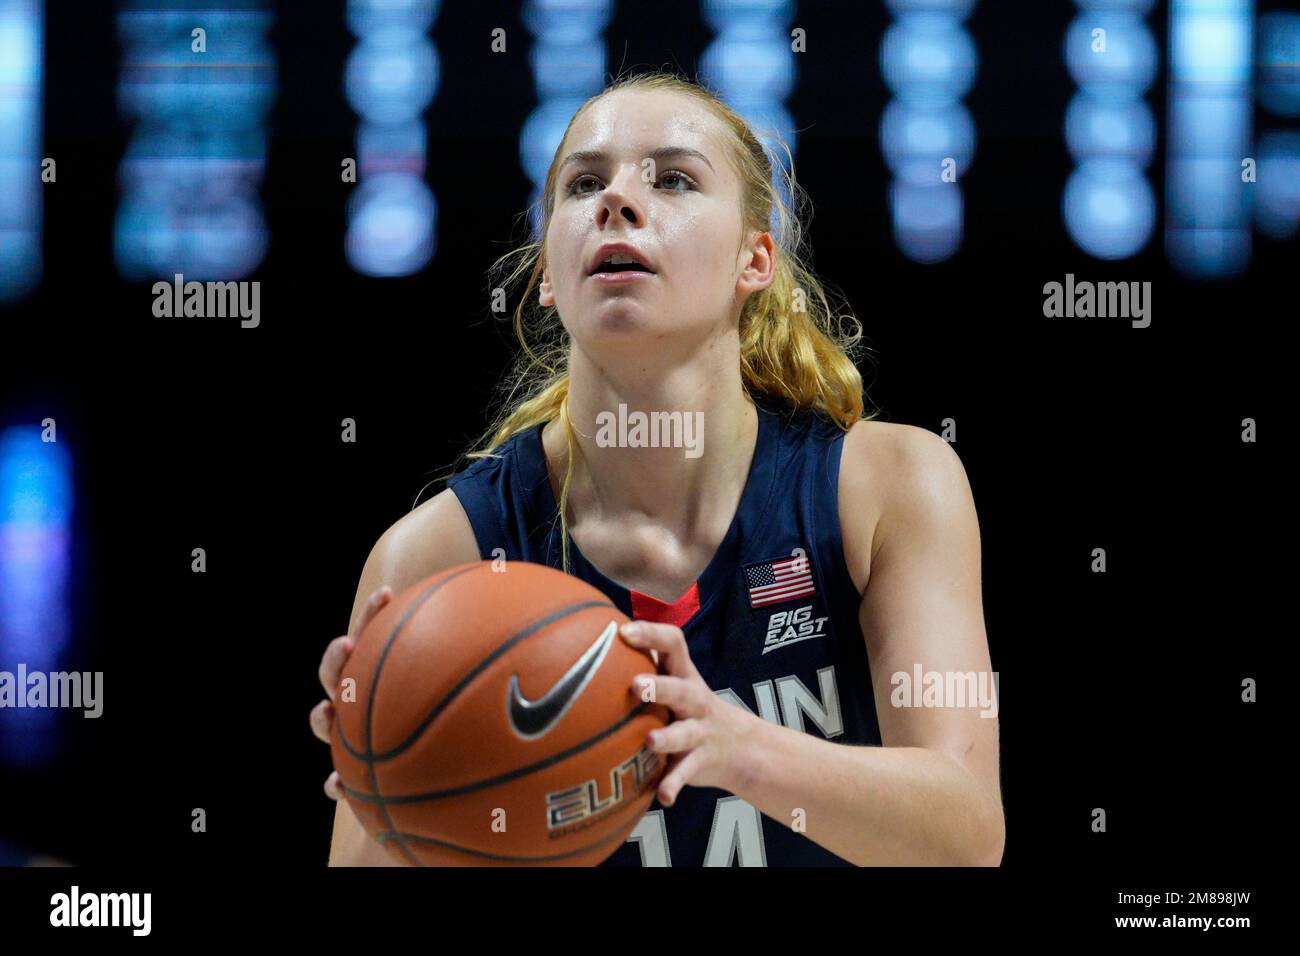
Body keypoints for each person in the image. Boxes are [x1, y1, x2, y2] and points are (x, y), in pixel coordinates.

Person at [309, 71, 1004, 866]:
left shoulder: (889, 487)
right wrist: (390, 785)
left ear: (756, 260)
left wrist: (734, 747)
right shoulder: (438, 556)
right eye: (583, 185)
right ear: (545, 276)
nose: (616, 201)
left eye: (672, 178)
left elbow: (969, 833)